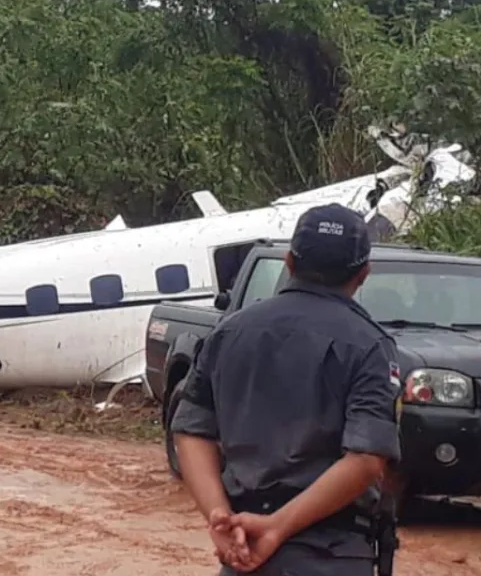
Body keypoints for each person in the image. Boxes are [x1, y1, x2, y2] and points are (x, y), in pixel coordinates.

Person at [171, 203, 402, 575]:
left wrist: (219, 516)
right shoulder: (370, 346)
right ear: (363, 274)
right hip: (331, 555)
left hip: (243, 552)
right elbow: (365, 461)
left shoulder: (229, 332)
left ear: (289, 262)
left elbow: (190, 430)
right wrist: (277, 527)